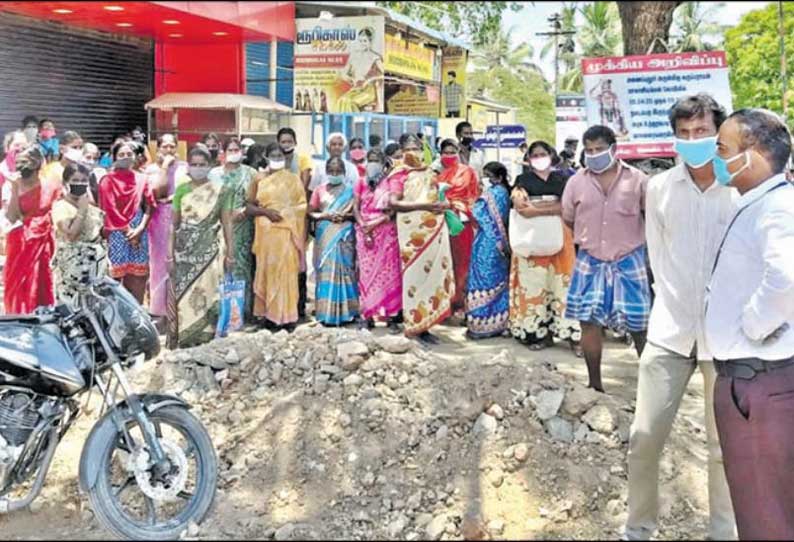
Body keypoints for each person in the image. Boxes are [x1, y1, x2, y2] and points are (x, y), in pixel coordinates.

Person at [624, 94, 737, 541]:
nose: (693, 141)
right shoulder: (660, 189)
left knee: (721, 449)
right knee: (644, 437)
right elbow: (658, 254)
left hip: (727, 339)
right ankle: (638, 529)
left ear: (718, 133)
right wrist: (670, 306)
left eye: (702, 132)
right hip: (670, 333)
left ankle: (723, 533)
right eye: (684, 134)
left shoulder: (739, 187)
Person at [705, 108, 794, 541]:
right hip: (756, 380)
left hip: (758, 382)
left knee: (765, 516)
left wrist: (754, 327)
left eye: (723, 149)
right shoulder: (759, 203)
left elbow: (787, 277)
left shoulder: (775, 207)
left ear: (754, 155)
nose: (716, 158)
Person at [562, 125, 650, 392]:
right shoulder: (576, 181)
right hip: (590, 259)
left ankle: (650, 388)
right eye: (589, 150)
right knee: (589, 322)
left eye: (599, 149)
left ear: (614, 149)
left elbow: (650, 215)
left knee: (640, 326)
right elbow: (568, 217)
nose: (594, 154)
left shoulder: (637, 180)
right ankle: (595, 385)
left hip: (629, 259)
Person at [510, 140, 582, 355]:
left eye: (543, 153)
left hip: (561, 237)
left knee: (563, 285)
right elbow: (520, 206)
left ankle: (572, 336)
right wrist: (551, 207)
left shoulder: (563, 178)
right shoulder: (522, 180)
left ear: (551, 156)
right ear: (529, 159)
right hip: (530, 238)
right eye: (535, 155)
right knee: (534, 285)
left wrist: (539, 209)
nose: (540, 158)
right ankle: (539, 334)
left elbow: (567, 206)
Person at [389, 133, 455, 344]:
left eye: (416, 148)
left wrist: (443, 204)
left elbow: (438, 196)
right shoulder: (399, 175)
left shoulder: (430, 172)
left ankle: (426, 325)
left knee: (433, 278)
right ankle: (413, 326)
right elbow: (394, 203)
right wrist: (424, 206)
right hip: (413, 235)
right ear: (401, 151)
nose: (413, 152)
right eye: (408, 148)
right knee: (415, 278)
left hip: (434, 230)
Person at [167, 146, 225, 348]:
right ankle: (185, 338)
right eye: (194, 164)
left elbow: (227, 224)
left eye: (202, 165)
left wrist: (231, 255)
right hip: (184, 254)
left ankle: (207, 338)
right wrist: (169, 257)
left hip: (209, 252)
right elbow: (173, 225)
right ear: (188, 166)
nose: (198, 168)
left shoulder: (220, 190)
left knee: (209, 293)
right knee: (185, 296)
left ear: (210, 166)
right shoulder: (181, 190)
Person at [247, 143, 307, 329]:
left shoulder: (293, 179)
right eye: (273, 155)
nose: (277, 158)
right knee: (267, 273)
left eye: (280, 155)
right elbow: (249, 206)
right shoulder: (258, 179)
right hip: (266, 237)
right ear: (265, 157)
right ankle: (269, 317)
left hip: (287, 234)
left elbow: (302, 205)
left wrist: (286, 213)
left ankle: (288, 317)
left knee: (287, 274)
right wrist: (266, 214)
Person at [3, 146, 60, 314]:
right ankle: (18, 319)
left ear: (38, 163)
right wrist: (15, 189)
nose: (22, 164)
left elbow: (57, 212)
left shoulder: (51, 185)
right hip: (20, 242)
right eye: (19, 161)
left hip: (44, 241)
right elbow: (12, 217)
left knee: (41, 282)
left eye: (26, 160)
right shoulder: (11, 184)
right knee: (18, 284)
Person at [98, 140, 155, 304]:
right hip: (116, 232)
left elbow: (149, 206)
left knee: (138, 278)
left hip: (139, 230)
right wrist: (129, 232)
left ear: (135, 157)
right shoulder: (107, 180)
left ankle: (136, 315)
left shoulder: (142, 179)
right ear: (114, 157)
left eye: (129, 154)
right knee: (115, 280)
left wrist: (140, 229)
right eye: (121, 155)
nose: (125, 157)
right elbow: (110, 210)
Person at [353, 148, 402, 331]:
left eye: (376, 160)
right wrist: (363, 224)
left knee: (388, 274)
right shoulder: (360, 182)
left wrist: (374, 224)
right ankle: (367, 314)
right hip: (364, 231)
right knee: (366, 275)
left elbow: (392, 211)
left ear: (383, 162)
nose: (372, 163)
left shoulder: (390, 182)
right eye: (370, 159)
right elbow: (355, 207)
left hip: (385, 231)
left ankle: (389, 315)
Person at [309, 157, 360, 326]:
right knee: (326, 272)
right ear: (326, 172)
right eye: (331, 171)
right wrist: (325, 215)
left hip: (344, 235)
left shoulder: (352, 191)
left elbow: (357, 214)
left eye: (338, 171)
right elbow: (310, 212)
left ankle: (349, 313)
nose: (335, 174)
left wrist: (344, 216)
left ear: (344, 172)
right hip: (326, 235)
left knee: (346, 271)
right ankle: (326, 314)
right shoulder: (319, 190)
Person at [213, 137, 257, 321]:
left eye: (236, 149)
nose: (233, 153)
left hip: (244, 227)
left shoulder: (251, 173)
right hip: (220, 227)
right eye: (229, 150)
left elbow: (257, 200)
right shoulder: (214, 174)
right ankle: (223, 312)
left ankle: (243, 311)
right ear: (223, 153)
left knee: (243, 267)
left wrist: (245, 210)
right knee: (221, 266)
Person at [465, 162, 511, 339]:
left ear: (498, 178)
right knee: (497, 281)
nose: (486, 179)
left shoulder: (494, 193)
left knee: (482, 280)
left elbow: (478, 213)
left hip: (488, 242)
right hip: (497, 242)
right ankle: (499, 323)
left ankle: (479, 326)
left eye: (488, 175)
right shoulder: (504, 192)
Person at [51, 163, 107, 308]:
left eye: (83, 180)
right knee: (72, 310)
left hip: (95, 268)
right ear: (66, 183)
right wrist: (82, 210)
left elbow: (100, 235)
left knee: (94, 311)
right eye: (75, 180)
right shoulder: (61, 207)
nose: (79, 184)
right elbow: (71, 235)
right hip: (72, 270)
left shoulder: (93, 209)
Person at [436, 138, 480, 319]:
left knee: (463, 262)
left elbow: (475, 196)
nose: (449, 156)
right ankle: (445, 305)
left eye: (452, 152)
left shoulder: (468, 172)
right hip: (442, 223)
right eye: (445, 153)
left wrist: (458, 206)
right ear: (440, 155)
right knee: (446, 263)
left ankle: (461, 303)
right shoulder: (437, 176)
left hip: (462, 223)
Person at [147, 133, 184, 325]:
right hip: (160, 220)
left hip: (181, 219)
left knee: (180, 263)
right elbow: (157, 192)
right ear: (158, 149)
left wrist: (174, 199)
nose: (169, 151)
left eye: (172, 147)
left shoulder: (184, 168)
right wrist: (164, 167)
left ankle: (178, 310)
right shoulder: (152, 170)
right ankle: (159, 312)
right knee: (160, 265)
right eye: (165, 147)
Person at [277, 127, 314, 320]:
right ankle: (283, 307)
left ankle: (300, 308)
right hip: (278, 219)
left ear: (295, 141)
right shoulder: (275, 160)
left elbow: (303, 185)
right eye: (283, 141)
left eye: (289, 140)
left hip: (298, 216)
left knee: (299, 259)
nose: (286, 144)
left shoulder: (303, 160)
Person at [336, 26, 384, 112]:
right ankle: (342, 124)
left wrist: (372, 79)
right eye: (360, 41)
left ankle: (354, 124)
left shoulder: (375, 57)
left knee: (350, 102)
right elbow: (343, 73)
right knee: (341, 100)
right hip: (356, 89)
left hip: (368, 91)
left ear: (370, 41)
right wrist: (351, 79)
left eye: (365, 41)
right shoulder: (354, 56)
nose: (362, 43)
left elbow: (384, 74)